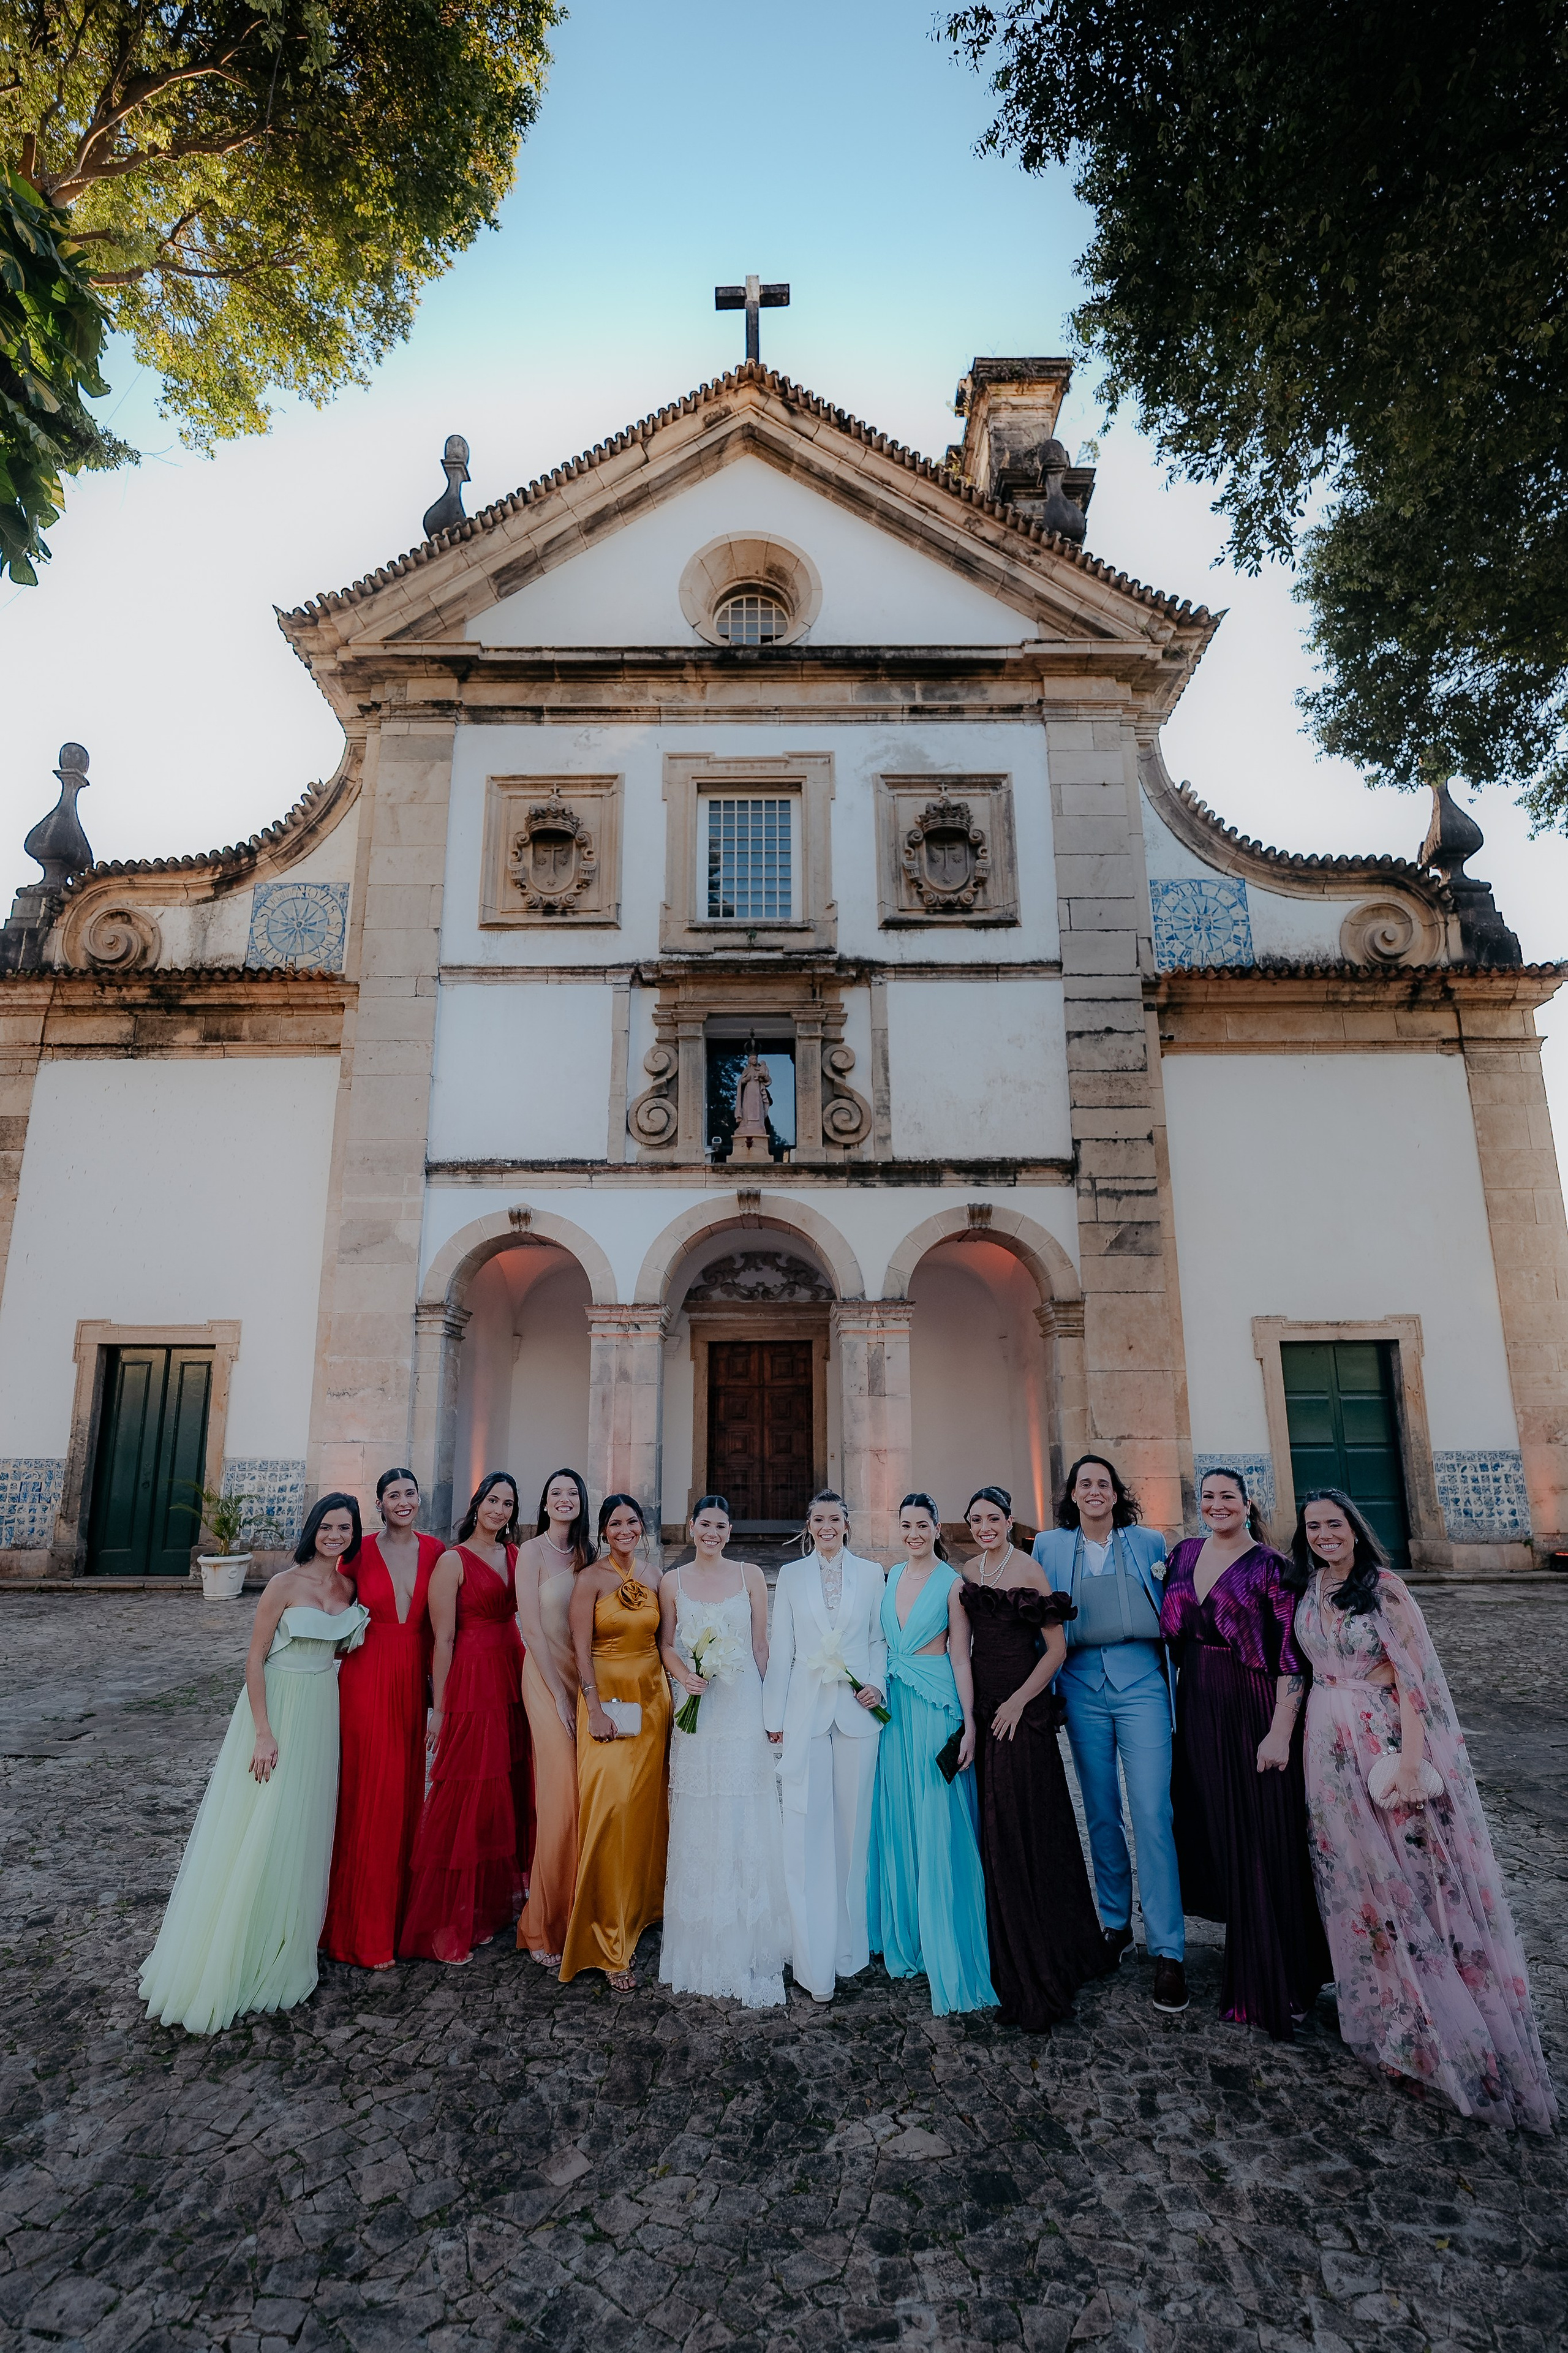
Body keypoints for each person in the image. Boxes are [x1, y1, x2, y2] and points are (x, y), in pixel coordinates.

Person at [1290, 1488, 1557, 2133]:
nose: (1325, 1535)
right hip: (1325, 1748)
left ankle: (1443, 2027)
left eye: (1335, 1524)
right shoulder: (1308, 1587)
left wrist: (1410, 1765)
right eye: (1314, 1526)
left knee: (1411, 1880)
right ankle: (1389, 2022)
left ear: (1355, 1528)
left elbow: (1415, 1683)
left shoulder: (1384, 1590)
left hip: (1380, 1745)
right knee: (1355, 1883)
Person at [139, 1494, 371, 2033]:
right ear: (313, 1529)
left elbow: (339, 1650)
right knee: (261, 1819)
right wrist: (263, 1731)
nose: (335, 1535)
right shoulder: (283, 1584)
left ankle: (285, 1939)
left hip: (321, 1708)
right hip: (279, 1708)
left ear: (353, 1534)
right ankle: (230, 1949)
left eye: (344, 1528)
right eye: (327, 1526)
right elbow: (255, 1657)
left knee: (301, 1824)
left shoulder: (347, 1588)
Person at [1161, 1467, 1329, 2039]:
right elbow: (1172, 1637)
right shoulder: (1183, 1555)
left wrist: (1281, 1731)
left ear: (1246, 1503)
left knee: (1262, 1833)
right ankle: (1244, 1945)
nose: (1217, 1505)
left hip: (1253, 1705)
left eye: (1227, 1496)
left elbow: (1291, 1659)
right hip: (1198, 1704)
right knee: (1220, 1828)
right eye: (1208, 1497)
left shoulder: (1272, 1567)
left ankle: (1282, 1976)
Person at [1032, 1455, 1188, 2014]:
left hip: (1142, 1681)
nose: (1094, 1491)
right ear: (1072, 1495)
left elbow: (1176, 1608)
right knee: (1100, 1811)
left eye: (1104, 1483)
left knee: (1152, 1811)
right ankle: (1116, 1924)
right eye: (1085, 1484)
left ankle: (1168, 1947)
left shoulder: (1149, 1542)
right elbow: (1038, 1620)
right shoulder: (1049, 1546)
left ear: (1117, 1494)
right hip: (1081, 1685)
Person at [960, 1485, 1114, 2033]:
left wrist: (1019, 1702)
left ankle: (1044, 1943)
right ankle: (1001, 1938)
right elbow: (963, 1649)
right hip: (984, 1710)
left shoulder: (1029, 1570)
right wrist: (971, 1713)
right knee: (993, 1826)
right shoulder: (969, 1571)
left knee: (1026, 1822)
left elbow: (1057, 1649)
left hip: (1021, 1713)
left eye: (993, 1518)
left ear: (1009, 1521)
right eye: (976, 1519)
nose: (984, 1527)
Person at [659, 1493, 791, 2007]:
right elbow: (665, 1643)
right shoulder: (672, 1581)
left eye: (720, 1526)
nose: (712, 1533)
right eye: (705, 1524)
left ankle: (749, 1931)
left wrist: (772, 1712)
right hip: (698, 1706)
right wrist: (684, 1675)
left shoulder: (750, 1576)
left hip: (742, 1706)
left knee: (745, 1810)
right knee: (701, 1811)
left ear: (730, 1531)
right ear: (691, 1526)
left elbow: (761, 1645)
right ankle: (703, 1936)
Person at [867, 1492, 996, 2016]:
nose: (914, 1533)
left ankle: (947, 1940)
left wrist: (969, 1723)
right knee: (900, 1817)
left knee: (939, 1818)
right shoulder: (891, 1576)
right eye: (906, 1525)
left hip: (937, 1703)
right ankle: (907, 1934)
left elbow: (961, 1657)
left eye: (923, 1524)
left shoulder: (953, 1583)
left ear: (937, 1528)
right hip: (895, 1709)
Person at [398, 1473, 530, 1966]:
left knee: (506, 1789)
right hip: (473, 1679)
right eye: (493, 1500)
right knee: (468, 1791)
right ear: (477, 1504)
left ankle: (487, 1908)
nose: (499, 1509)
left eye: (508, 1503)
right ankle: (445, 1923)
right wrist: (441, 1706)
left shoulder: (515, 1555)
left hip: (512, 1671)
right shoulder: (453, 1561)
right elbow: (444, 1639)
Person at [762, 1490, 886, 2003]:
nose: (828, 1526)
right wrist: (774, 1718)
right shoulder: (791, 1576)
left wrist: (877, 1683)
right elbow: (782, 1647)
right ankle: (812, 1958)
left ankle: (847, 1948)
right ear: (809, 1525)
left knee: (853, 1833)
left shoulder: (872, 1574)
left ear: (847, 1523)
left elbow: (878, 1638)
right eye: (819, 1519)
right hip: (806, 1713)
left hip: (858, 1713)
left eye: (836, 1518)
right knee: (805, 1830)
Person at [319, 1467, 445, 1970]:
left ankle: (398, 1922)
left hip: (413, 1680)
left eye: (410, 1493)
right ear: (380, 1503)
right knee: (369, 1796)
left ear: (419, 1499)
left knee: (405, 1797)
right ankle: (360, 1932)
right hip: (367, 1679)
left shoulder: (436, 1552)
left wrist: (439, 1698)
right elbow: (328, 1603)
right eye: (393, 1495)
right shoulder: (357, 1552)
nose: (403, 1501)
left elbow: (442, 1630)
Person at [559, 1494, 672, 1992]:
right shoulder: (589, 1579)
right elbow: (580, 1650)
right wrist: (594, 1705)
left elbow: (666, 1643)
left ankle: (643, 1910)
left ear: (641, 1526)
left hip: (651, 1701)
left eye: (631, 1521)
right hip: (606, 1699)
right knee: (610, 1808)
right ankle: (606, 1938)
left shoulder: (656, 1577)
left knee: (646, 1810)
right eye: (614, 1523)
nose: (624, 1529)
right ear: (603, 1530)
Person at [515, 1468, 591, 1970]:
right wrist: (560, 1696)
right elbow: (531, 1629)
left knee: (585, 1795)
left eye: (572, 1493)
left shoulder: (587, 1554)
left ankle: (580, 1910)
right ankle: (543, 1923)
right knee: (560, 1798)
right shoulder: (531, 1553)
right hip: (545, 1681)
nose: (564, 1499)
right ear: (544, 1503)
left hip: (582, 1682)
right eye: (556, 1492)